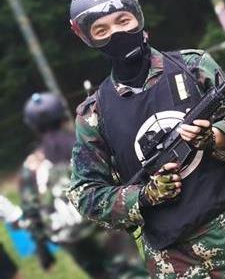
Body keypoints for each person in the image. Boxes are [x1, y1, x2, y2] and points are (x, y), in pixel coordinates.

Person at [66, 0, 225, 278]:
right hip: (169, 258)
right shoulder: (94, 114)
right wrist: (143, 196)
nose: (117, 34)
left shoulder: (192, 66)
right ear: (87, 38)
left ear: (138, 18)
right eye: (101, 30)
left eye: (123, 21)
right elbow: (85, 193)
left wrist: (213, 137)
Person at [20, 92, 147, 278]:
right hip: (103, 225)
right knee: (131, 273)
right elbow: (116, 175)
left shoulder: (30, 166)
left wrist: (42, 250)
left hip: (69, 235)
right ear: (63, 115)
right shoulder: (84, 145)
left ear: (33, 126)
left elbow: (31, 212)